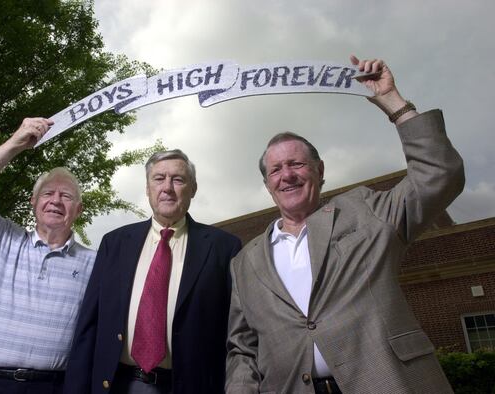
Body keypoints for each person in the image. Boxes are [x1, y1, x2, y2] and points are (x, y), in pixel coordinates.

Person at [225, 56, 465, 394]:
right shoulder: (244, 264)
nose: (287, 175)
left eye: (297, 164)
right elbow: (243, 348)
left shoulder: (364, 210)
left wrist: (393, 102)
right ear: (267, 184)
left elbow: (440, 175)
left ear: (320, 171)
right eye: (276, 170)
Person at [64, 149, 242, 394]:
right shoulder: (114, 243)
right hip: (119, 383)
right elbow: (89, 325)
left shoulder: (225, 248)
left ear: (193, 188)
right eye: (159, 179)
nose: (167, 187)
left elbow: (236, 332)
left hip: (191, 385)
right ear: (148, 189)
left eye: (178, 179)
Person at [0, 117, 96, 394]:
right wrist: (14, 144)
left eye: (66, 196)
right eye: (48, 193)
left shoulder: (95, 262)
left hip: (54, 387)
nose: (56, 201)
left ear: (79, 210)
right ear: (34, 203)